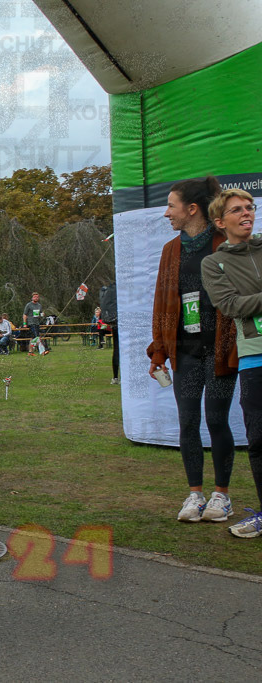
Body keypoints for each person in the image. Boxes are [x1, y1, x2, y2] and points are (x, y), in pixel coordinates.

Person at [148, 175, 238, 523]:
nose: (167, 213)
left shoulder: (223, 243)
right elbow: (162, 303)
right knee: (188, 422)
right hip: (184, 351)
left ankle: (222, 496)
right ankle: (195, 495)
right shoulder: (171, 250)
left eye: (171, 205)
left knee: (217, 420)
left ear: (192, 209)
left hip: (220, 350)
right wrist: (159, 352)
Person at [201, 188, 262, 537]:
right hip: (254, 356)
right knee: (259, 441)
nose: (247, 213)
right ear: (220, 222)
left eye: (250, 208)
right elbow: (232, 306)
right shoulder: (215, 263)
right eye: (237, 210)